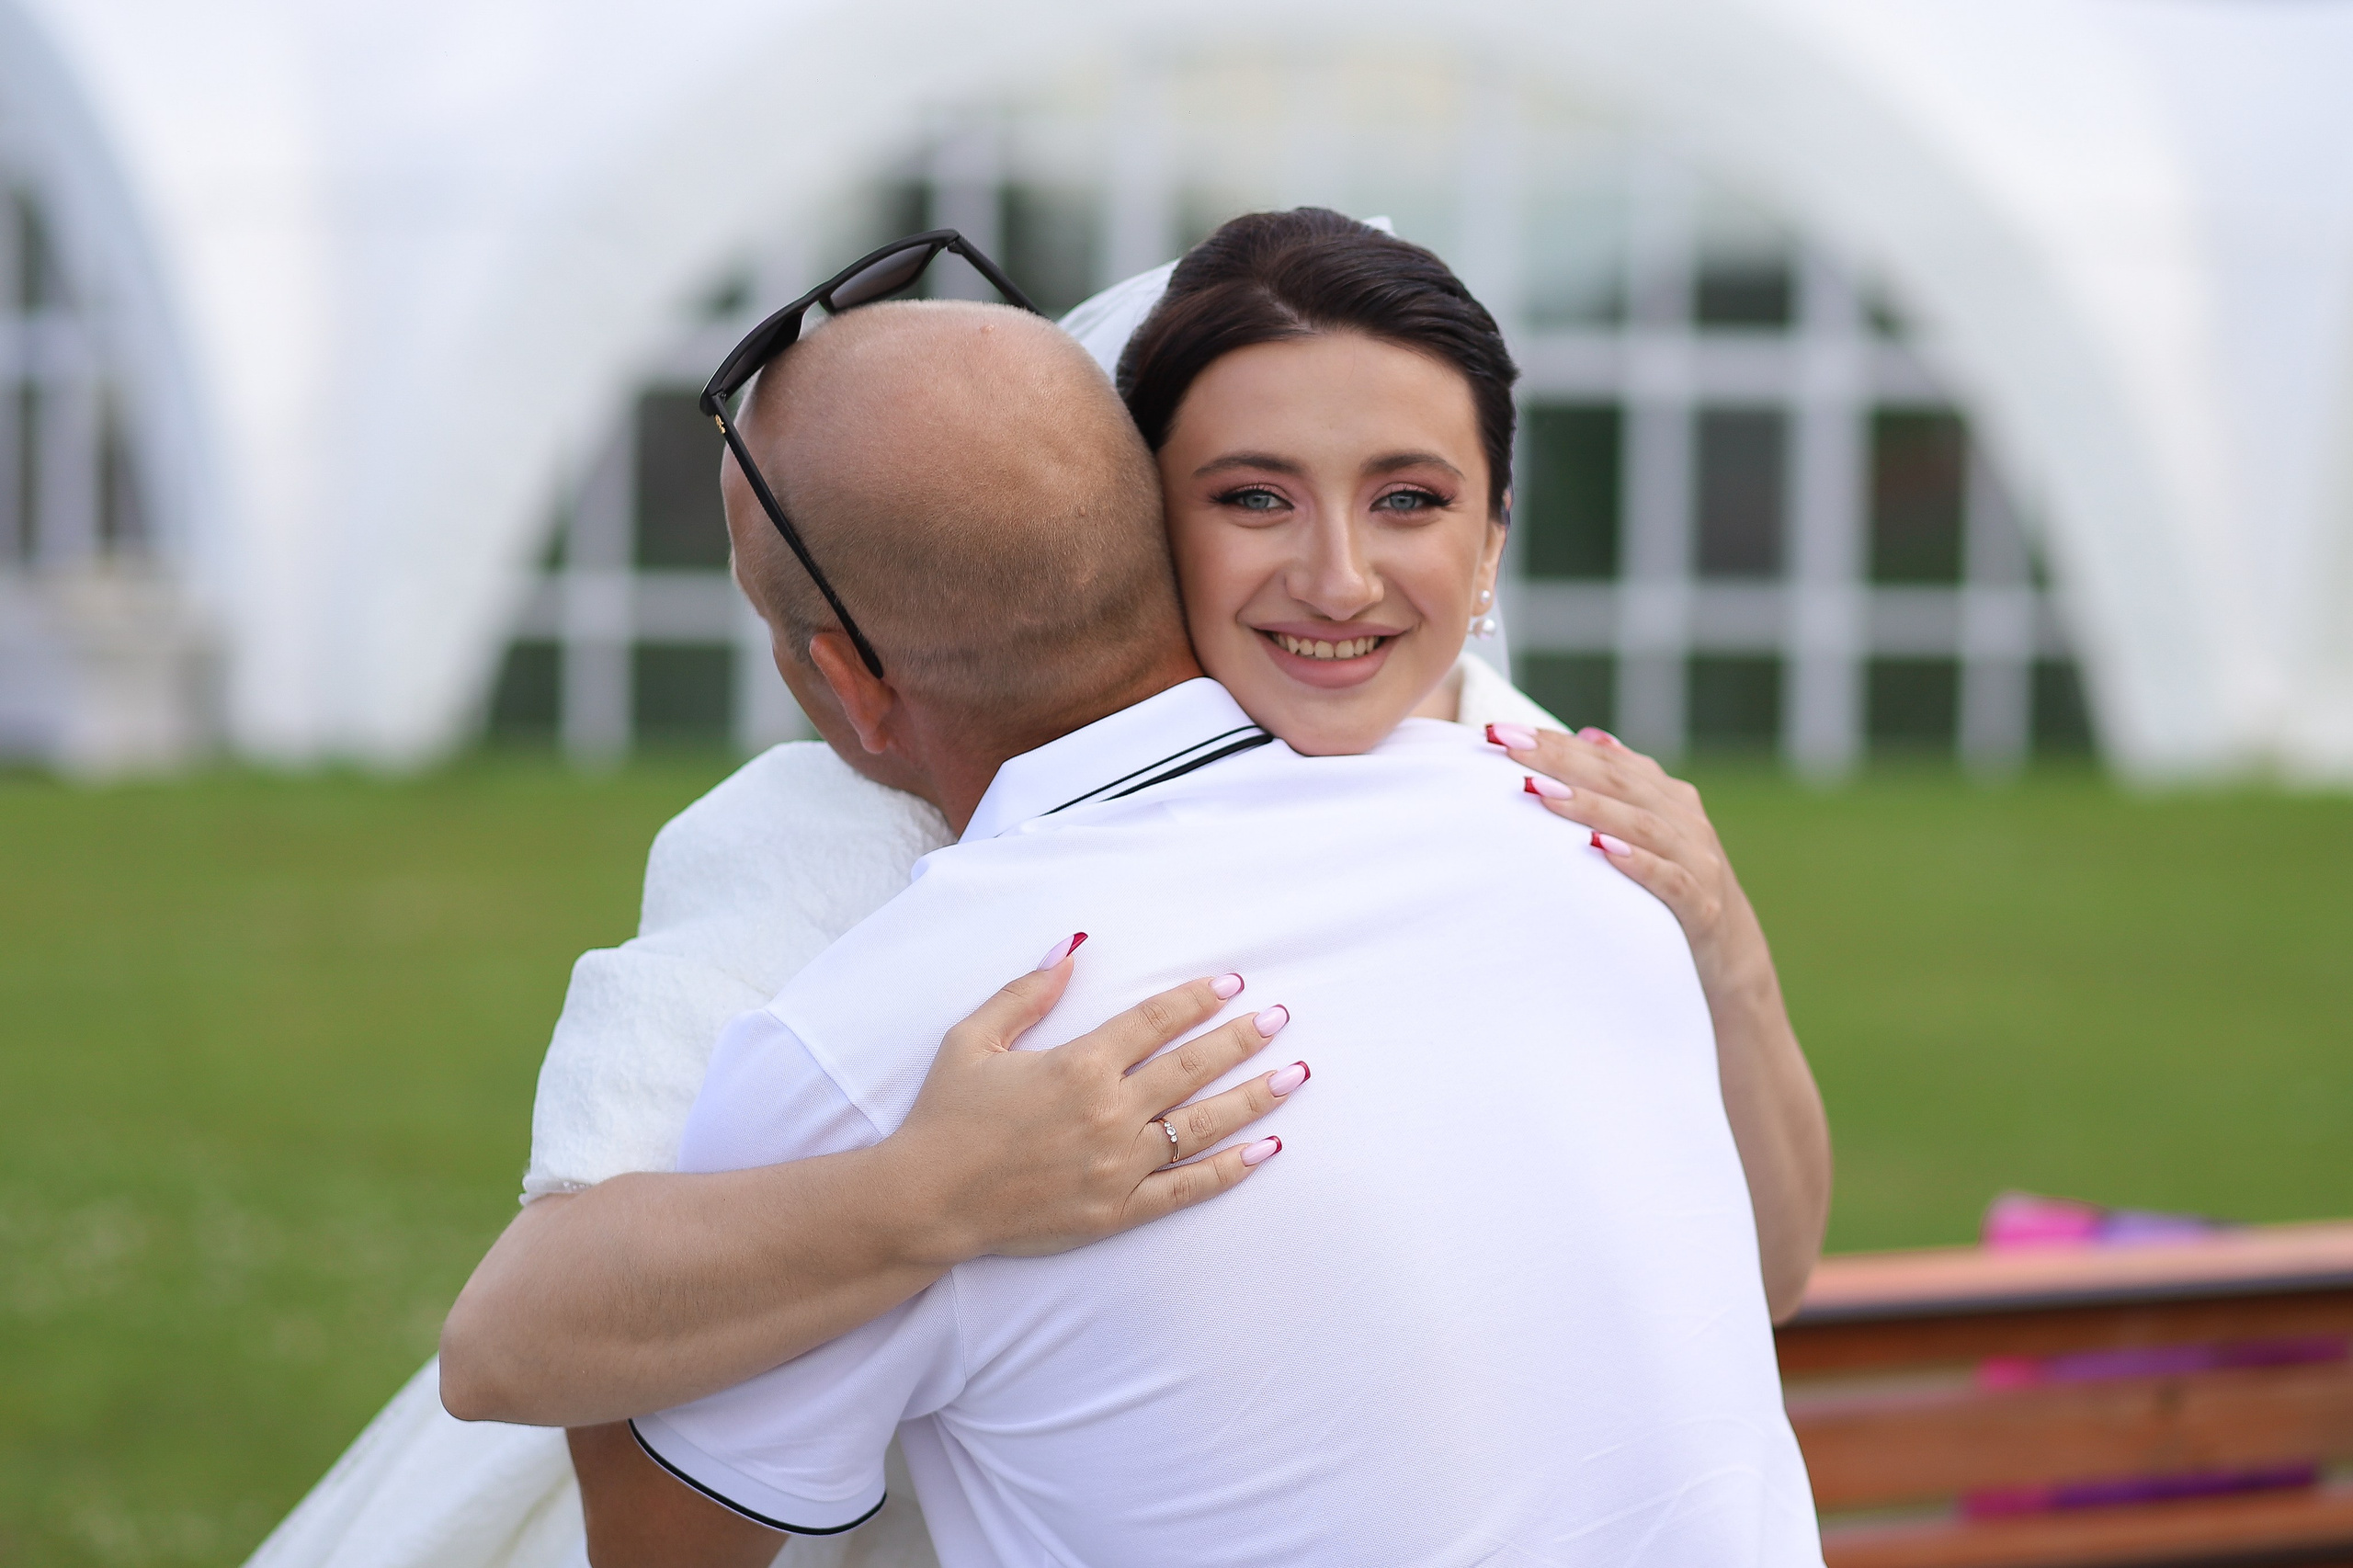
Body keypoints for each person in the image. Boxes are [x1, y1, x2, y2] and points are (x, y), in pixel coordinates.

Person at [247, 211, 1825, 1568]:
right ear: (1159, 524)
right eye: (1262, 496)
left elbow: (575, 1433)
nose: (1338, 580)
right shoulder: (1549, 815)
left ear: (851, 689)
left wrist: (924, 1195)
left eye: (1404, 498)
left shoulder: (908, 1032)